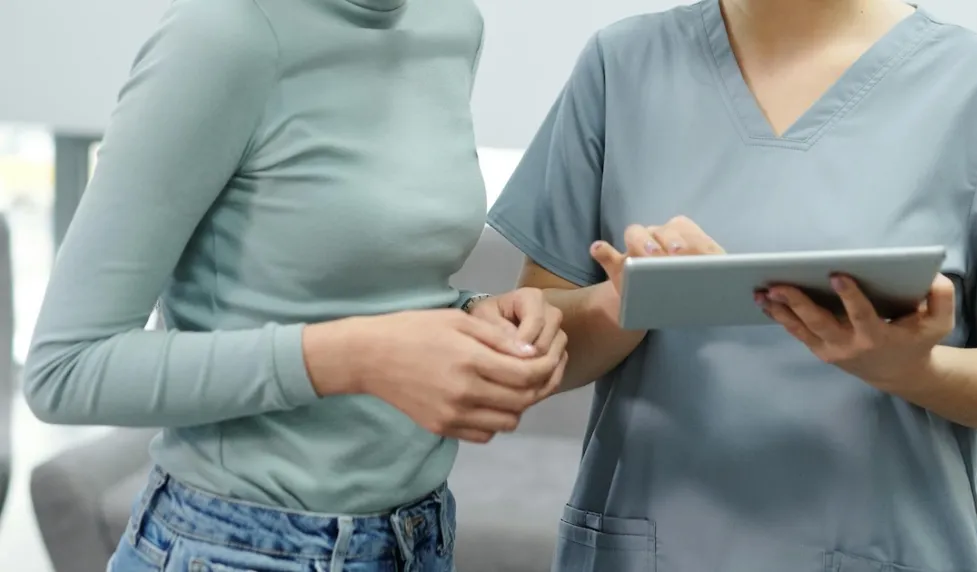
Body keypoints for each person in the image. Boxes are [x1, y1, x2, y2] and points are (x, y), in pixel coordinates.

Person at [487, 0, 977, 570]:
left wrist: (911, 370)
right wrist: (629, 299)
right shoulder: (619, 67)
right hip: (650, 542)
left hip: (881, 541)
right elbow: (542, 344)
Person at [23, 0, 568, 571]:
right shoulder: (222, 33)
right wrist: (355, 358)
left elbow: (376, 280)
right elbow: (65, 369)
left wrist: (474, 315)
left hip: (420, 538)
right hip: (232, 548)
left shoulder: (451, 22)